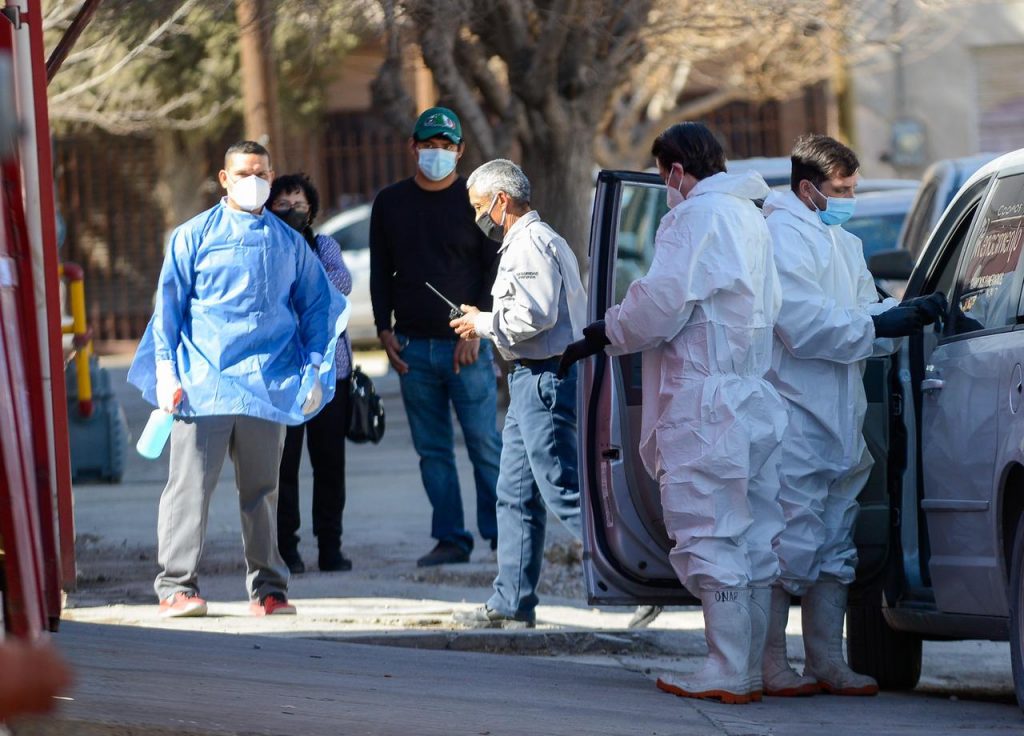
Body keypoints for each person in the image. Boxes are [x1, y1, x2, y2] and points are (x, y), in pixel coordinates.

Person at [560, 122, 789, 704]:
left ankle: (728, 668)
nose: (667, 185)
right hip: (753, 397)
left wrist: (605, 329)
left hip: (705, 401)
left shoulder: (692, 217)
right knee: (754, 535)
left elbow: (660, 305)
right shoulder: (751, 217)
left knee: (707, 532)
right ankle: (756, 665)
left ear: (676, 171)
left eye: (665, 175)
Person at [128, 141, 347, 618]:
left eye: (263, 174)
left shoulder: (289, 242)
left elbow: (317, 307)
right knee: (189, 489)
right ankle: (176, 586)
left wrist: (314, 366)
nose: (256, 182)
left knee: (263, 491)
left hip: (267, 384)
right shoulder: (193, 236)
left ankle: (269, 588)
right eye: (245, 173)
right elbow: (168, 309)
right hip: (202, 383)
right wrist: (166, 370)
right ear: (224, 178)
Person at [760, 134, 944, 696]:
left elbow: (862, 305)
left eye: (853, 188)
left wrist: (899, 312)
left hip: (838, 415)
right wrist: (879, 326)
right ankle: (770, 663)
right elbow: (802, 323)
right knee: (788, 543)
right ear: (808, 187)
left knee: (834, 543)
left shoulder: (837, 239)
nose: (849, 198)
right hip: (795, 413)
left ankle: (826, 662)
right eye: (840, 190)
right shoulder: (781, 235)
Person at [447, 159, 586, 628]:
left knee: (560, 488)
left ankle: (630, 566)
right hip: (530, 376)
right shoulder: (530, 241)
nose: (477, 217)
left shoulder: (531, 243)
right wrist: (485, 316)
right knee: (515, 492)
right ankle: (511, 600)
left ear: (501, 200)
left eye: (479, 206)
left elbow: (535, 317)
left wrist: (481, 323)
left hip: (545, 376)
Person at [370, 107, 502, 567]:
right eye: (429, 145)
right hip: (411, 349)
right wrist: (384, 329)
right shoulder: (389, 202)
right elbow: (380, 270)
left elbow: (494, 267)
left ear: (461, 151)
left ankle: (503, 537)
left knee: (486, 443)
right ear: (413, 147)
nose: (437, 154)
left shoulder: (475, 202)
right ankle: (451, 537)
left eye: (447, 147)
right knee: (433, 451)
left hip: (467, 349)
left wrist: (479, 328)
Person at [269, 174, 354, 574]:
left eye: (298, 203)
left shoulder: (325, 246)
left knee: (329, 465)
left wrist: (305, 277)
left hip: (330, 376)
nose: (290, 210)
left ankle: (330, 546)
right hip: (284, 379)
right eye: (281, 204)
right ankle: (287, 547)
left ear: (311, 209)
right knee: (285, 467)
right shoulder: (265, 249)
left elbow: (342, 282)